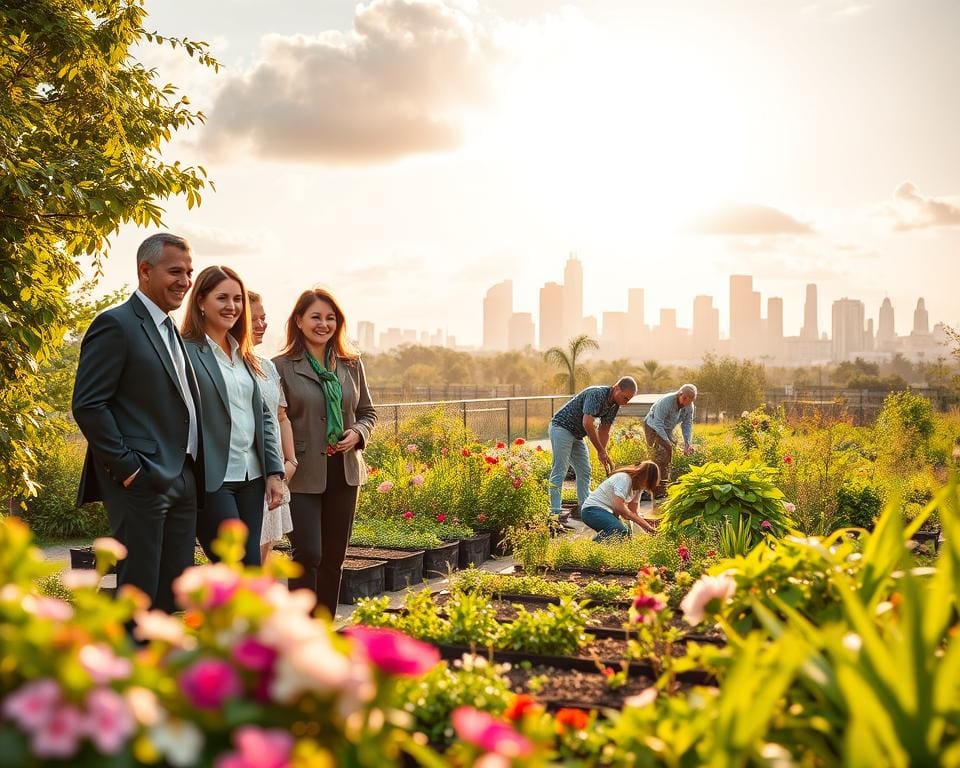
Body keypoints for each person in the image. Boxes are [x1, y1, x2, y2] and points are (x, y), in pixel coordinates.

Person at [72, 233, 202, 613]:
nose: (185, 281)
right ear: (145, 271)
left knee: (172, 591)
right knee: (138, 590)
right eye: (175, 271)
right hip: (141, 480)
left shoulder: (171, 330)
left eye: (189, 272)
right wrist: (129, 469)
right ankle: (128, 668)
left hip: (181, 477)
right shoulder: (116, 324)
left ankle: (157, 667)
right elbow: (89, 405)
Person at [273, 288, 377, 616]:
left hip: (344, 470)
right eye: (316, 317)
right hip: (301, 473)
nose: (324, 324)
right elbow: (275, 419)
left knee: (333, 558)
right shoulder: (281, 366)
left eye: (330, 318)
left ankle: (323, 632)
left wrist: (357, 433)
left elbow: (368, 413)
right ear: (299, 321)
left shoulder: (350, 364)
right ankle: (298, 634)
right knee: (308, 553)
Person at [181, 266, 285, 565]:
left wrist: (274, 472)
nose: (232, 306)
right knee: (232, 565)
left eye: (237, 299)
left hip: (252, 477)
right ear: (201, 300)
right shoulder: (186, 351)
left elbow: (264, 416)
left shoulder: (245, 355)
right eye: (222, 297)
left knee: (251, 566)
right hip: (212, 479)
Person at [548, 377, 637, 525]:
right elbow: (587, 422)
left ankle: (586, 509)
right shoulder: (596, 394)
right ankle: (555, 513)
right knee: (560, 470)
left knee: (585, 471)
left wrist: (602, 452)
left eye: (629, 399)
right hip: (561, 428)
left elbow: (604, 430)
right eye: (625, 397)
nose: (626, 402)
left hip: (577, 435)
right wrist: (600, 451)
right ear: (616, 388)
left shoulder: (614, 405)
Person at [248, 291, 295, 564]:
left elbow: (281, 416)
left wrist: (290, 461)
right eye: (253, 319)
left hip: (273, 474)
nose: (260, 324)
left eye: (263, 318)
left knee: (264, 554)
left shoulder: (267, 366)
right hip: (247, 474)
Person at [580, 461, 661, 541]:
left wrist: (649, 529)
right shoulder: (624, 479)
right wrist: (647, 526)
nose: (645, 487)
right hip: (592, 511)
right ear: (642, 476)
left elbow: (633, 513)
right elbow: (619, 506)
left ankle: (604, 550)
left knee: (627, 534)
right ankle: (592, 548)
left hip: (607, 513)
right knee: (618, 530)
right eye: (647, 483)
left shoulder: (637, 489)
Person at [643, 383, 697, 498]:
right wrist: (667, 442)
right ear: (679, 394)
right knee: (657, 456)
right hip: (652, 426)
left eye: (690, 400)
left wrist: (687, 443)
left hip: (667, 428)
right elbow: (658, 423)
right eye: (685, 399)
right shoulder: (666, 402)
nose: (686, 402)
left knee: (669, 455)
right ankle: (649, 490)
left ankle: (662, 489)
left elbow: (687, 424)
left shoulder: (689, 406)